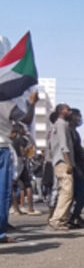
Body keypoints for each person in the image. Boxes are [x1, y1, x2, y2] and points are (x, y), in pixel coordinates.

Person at [0, 91, 37, 242]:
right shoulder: (6, 105)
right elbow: (26, 119)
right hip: (2, 148)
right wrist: (33, 103)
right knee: (3, 192)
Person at [48, 103, 75, 231]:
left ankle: (62, 219)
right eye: (67, 109)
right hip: (63, 161)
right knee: (66, 192)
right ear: (61, 111)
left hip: (60, 161)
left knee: (64, 191)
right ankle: (57, 220)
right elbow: (64, 145)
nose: (70, 111)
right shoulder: (61, 124)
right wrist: (68, 163)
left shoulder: (60, 125)